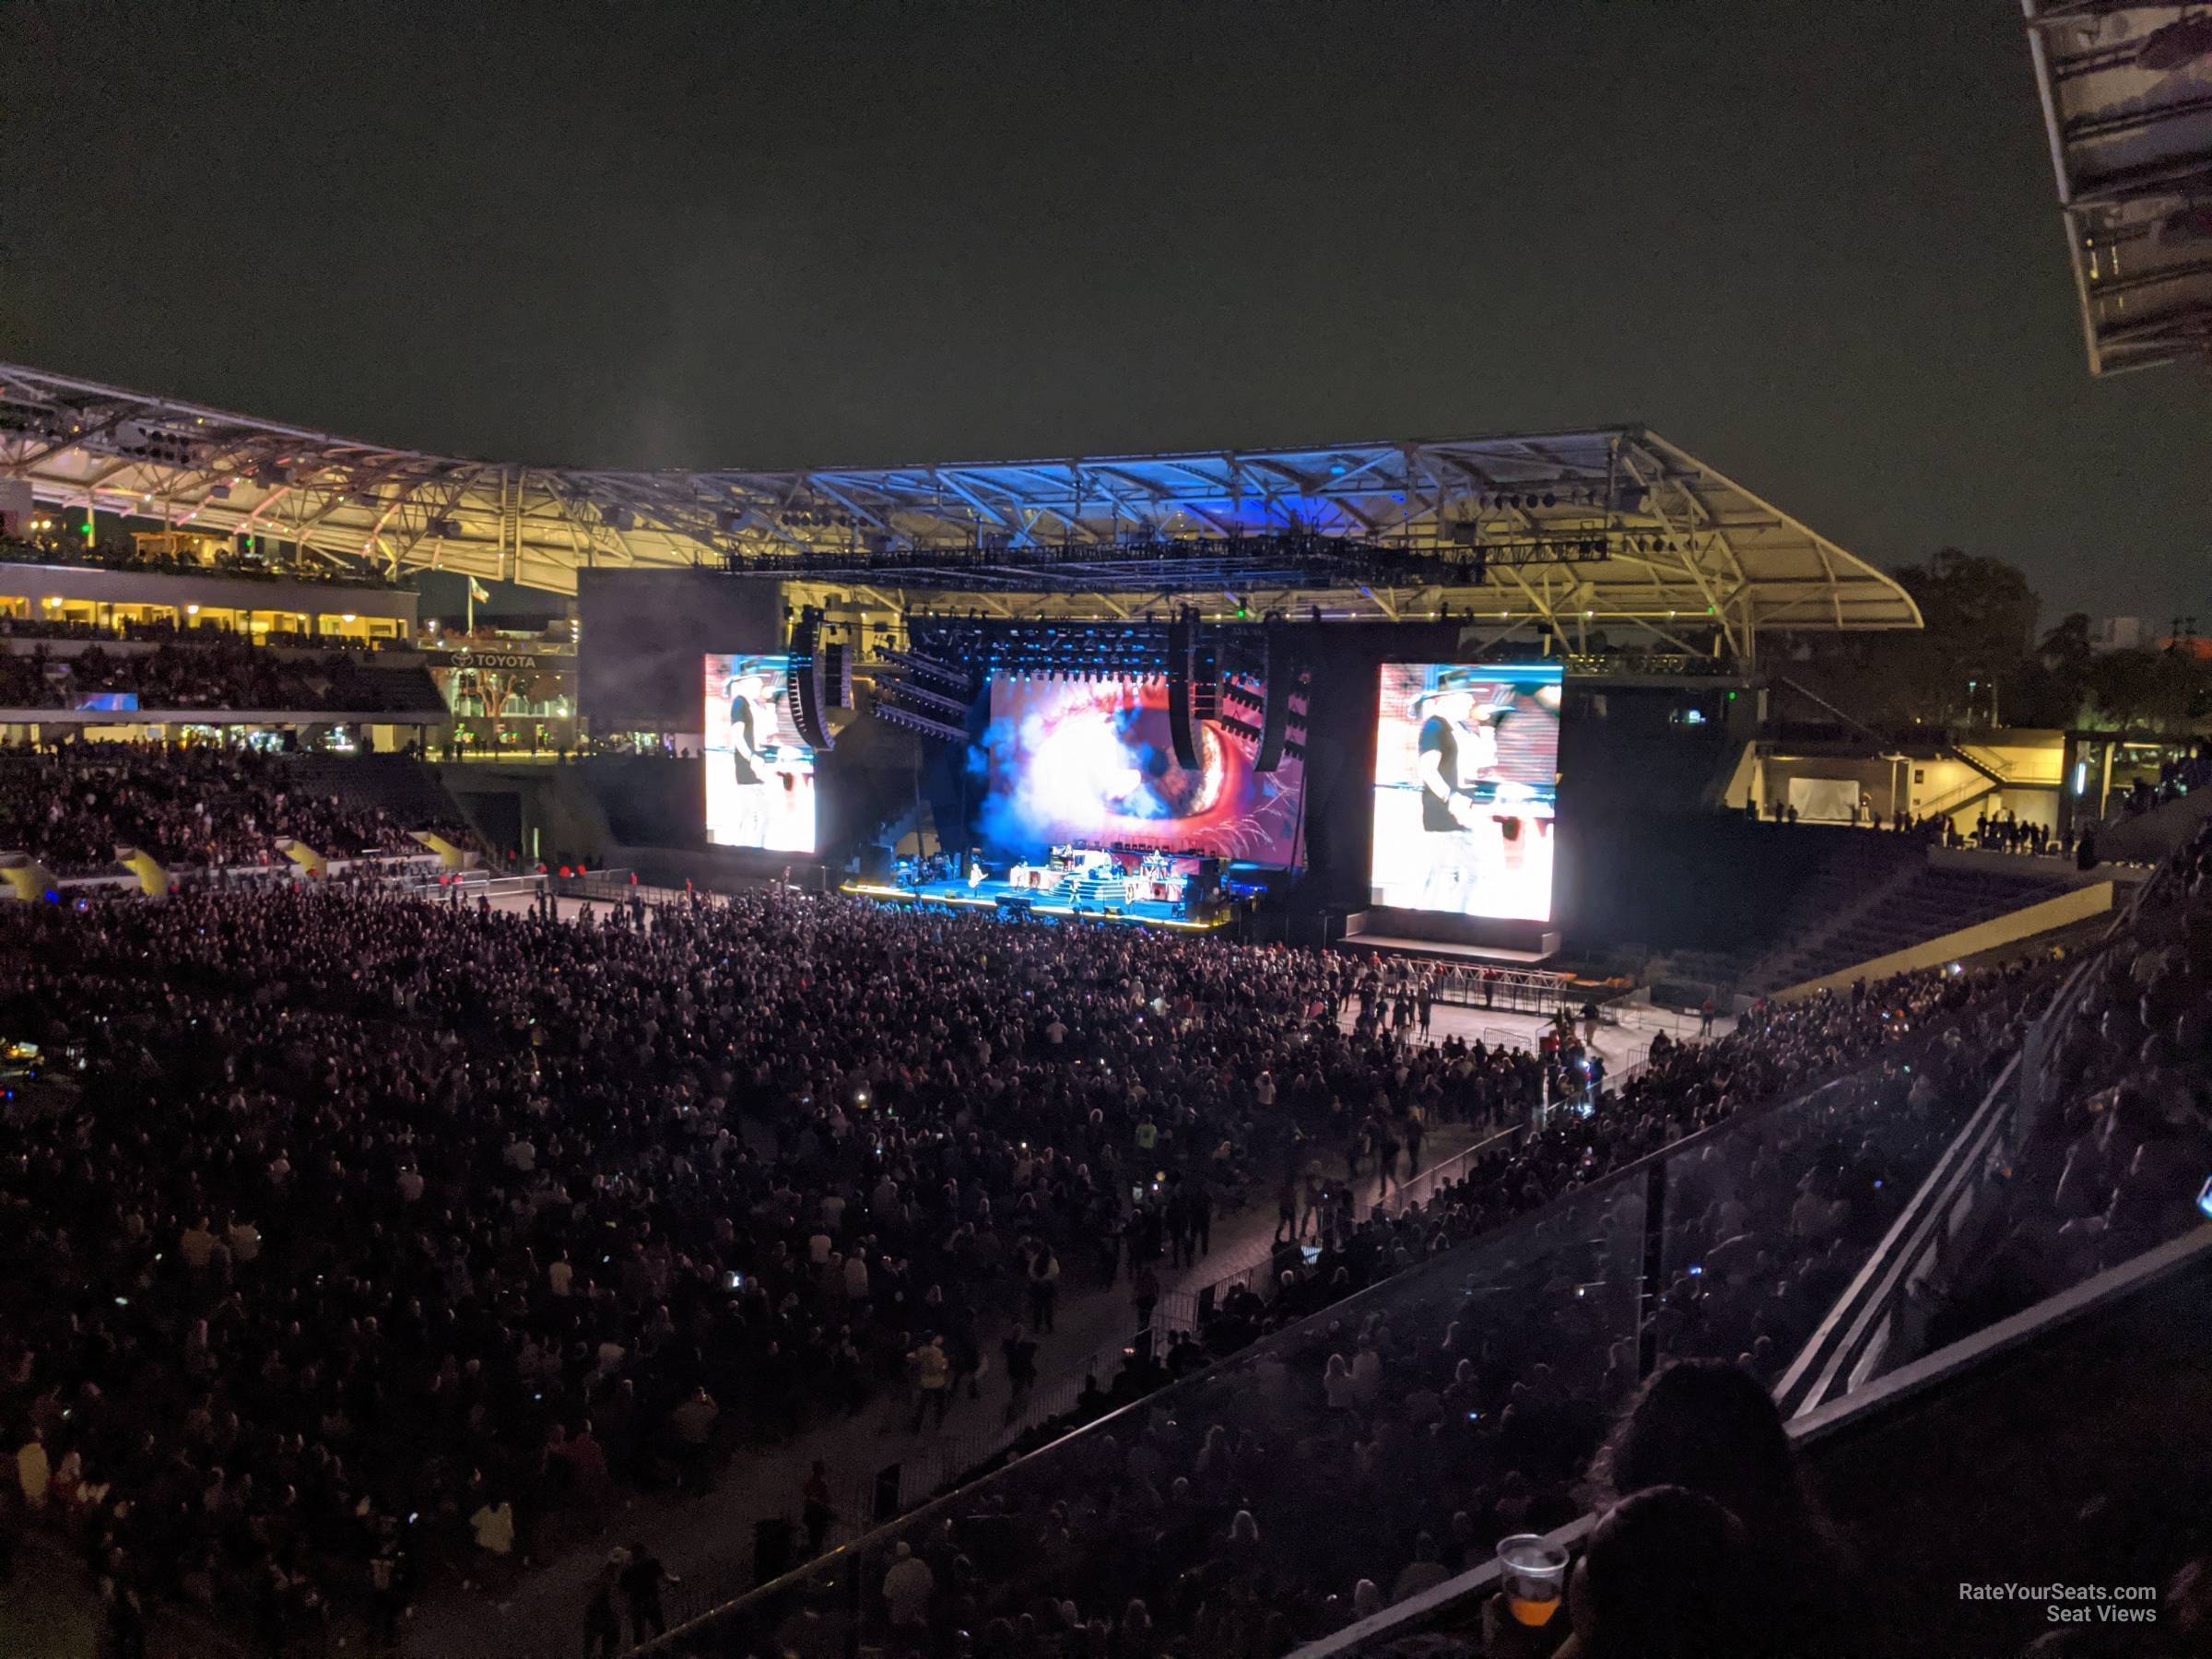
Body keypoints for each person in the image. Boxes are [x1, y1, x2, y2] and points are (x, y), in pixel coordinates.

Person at [619, 1541, 678, 1646]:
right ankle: (661, 1651)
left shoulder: (627, 1571)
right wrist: (676, 1581)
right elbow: (667, 1578)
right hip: (651, 1602)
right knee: (660, 1629)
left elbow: (622, 1591)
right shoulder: (652, 1564)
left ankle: (640, 1655)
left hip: (636, 1605)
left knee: (639, 1635)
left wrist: (627, 1607)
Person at [883, 1540, 935, 1633]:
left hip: (901, 1618)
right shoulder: (921, 1565)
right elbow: (930, 1585)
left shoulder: (894, 1572)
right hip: (921, 1614)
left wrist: (891, 1614)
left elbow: (888, 1596)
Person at [802, 1461, 835, 1559]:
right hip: (818, 1518)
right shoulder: (820, 1485)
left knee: (814, 1540)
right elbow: (825, 1500)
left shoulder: (812, 1484)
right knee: (816, 1541)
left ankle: (813, 1555)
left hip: (813, 1517)